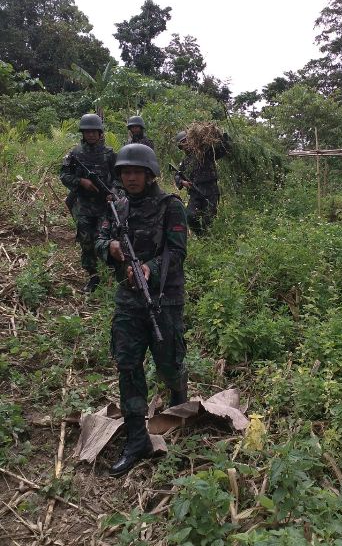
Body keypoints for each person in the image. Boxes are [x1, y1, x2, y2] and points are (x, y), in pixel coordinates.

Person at [95, 143, 188, 477]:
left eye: (136, 172)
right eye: (125, 172)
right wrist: (113, 248)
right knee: (128, 366)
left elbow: (176, 252)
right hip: (128, 301)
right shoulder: (116, 207)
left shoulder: (170, 206)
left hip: (165, 298)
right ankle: (137, 438)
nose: (130, 177)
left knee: (169, 363)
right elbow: (100, 240)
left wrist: (149, 268)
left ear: (150, 175)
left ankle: (179, 403)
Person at [60, 114, 116, 293]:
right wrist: (81, 182)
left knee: (104, 239)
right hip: (83, 205)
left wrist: (113, 193)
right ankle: (93, 275)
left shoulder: (110, 154)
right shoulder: (75, 154)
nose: (91, 135)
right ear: (82, 133)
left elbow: (120, 179)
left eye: (94, 131)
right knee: (86, 241)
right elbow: (64, 175)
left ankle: (113, 271)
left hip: (104, 206)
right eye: (87, 132)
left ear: (100, 133)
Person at [174, 128, 231, 235]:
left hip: (211, 190)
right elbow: (177, 174)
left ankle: (207, 239)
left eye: (186, 141)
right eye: (182, 143)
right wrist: (182, 182)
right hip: (195, 193)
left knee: (208, 219)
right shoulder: (185, 162)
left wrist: (225, 139)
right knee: (190, 216)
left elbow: (223, 150)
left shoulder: (206, 152)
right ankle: (201, 237)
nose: (185, 145)